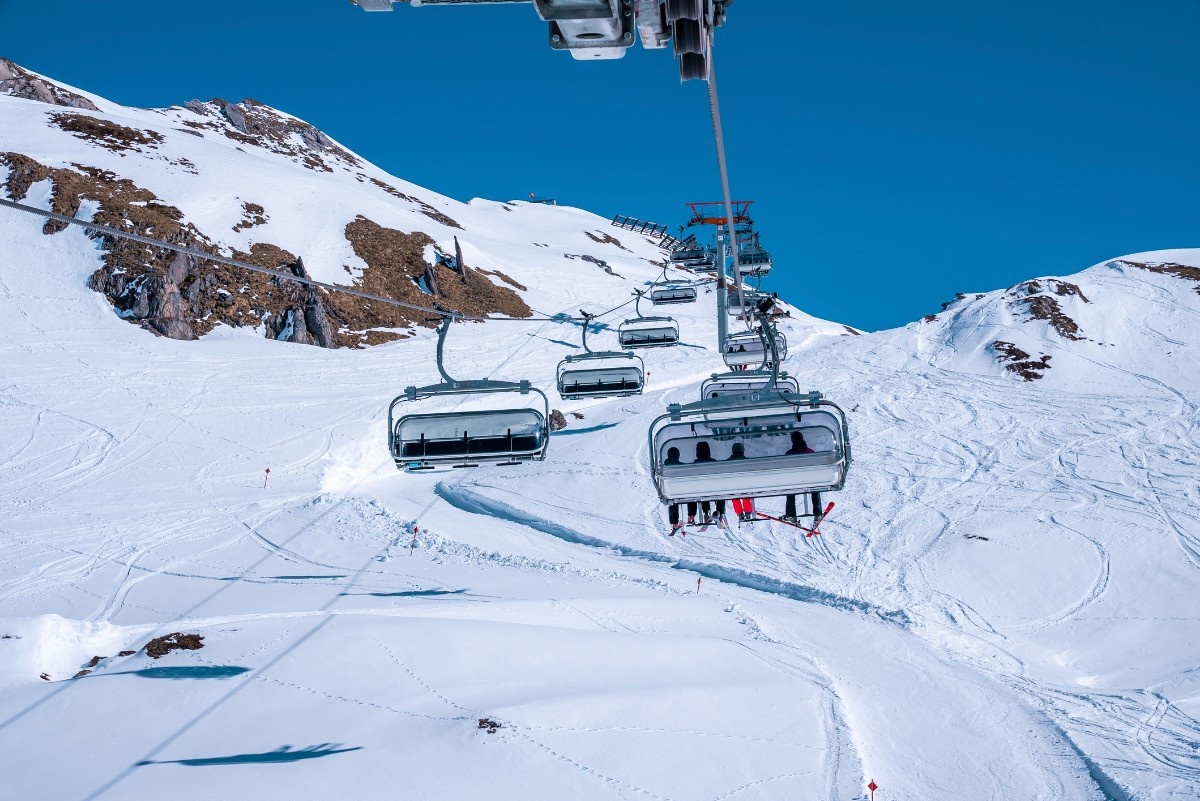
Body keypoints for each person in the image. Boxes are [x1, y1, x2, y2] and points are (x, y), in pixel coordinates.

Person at [663, 447, 697, 535]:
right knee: (691, 496)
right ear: (678, 456)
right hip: (683, 490)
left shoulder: (664, 466)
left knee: (672, 502)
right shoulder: (682, 466)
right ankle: (691, 515)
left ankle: (674, 523)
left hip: (671, 491)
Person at [693, 442, 727, 525]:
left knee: (703, 492)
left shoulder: (695, 463)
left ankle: (706, 512)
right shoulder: (714, 462)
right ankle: (720, 512)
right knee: (720, 493)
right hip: (715, 487)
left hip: (702, 488)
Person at [784, 432, 815, 520]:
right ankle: (817, 512)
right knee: (815, 490)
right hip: (811, 478)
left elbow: (785, 467)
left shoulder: (789, 453)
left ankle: (791, 515)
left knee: (790, 492)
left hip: (795, 480)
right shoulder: (810, 451)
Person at [726, 442, 756, 522]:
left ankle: (740, 513)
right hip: (745, 484)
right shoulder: (747, 461)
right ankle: (747, 512)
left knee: (735, 497)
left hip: (733, 485)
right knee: (746, 495)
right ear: (743, 451)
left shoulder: (727, 462)